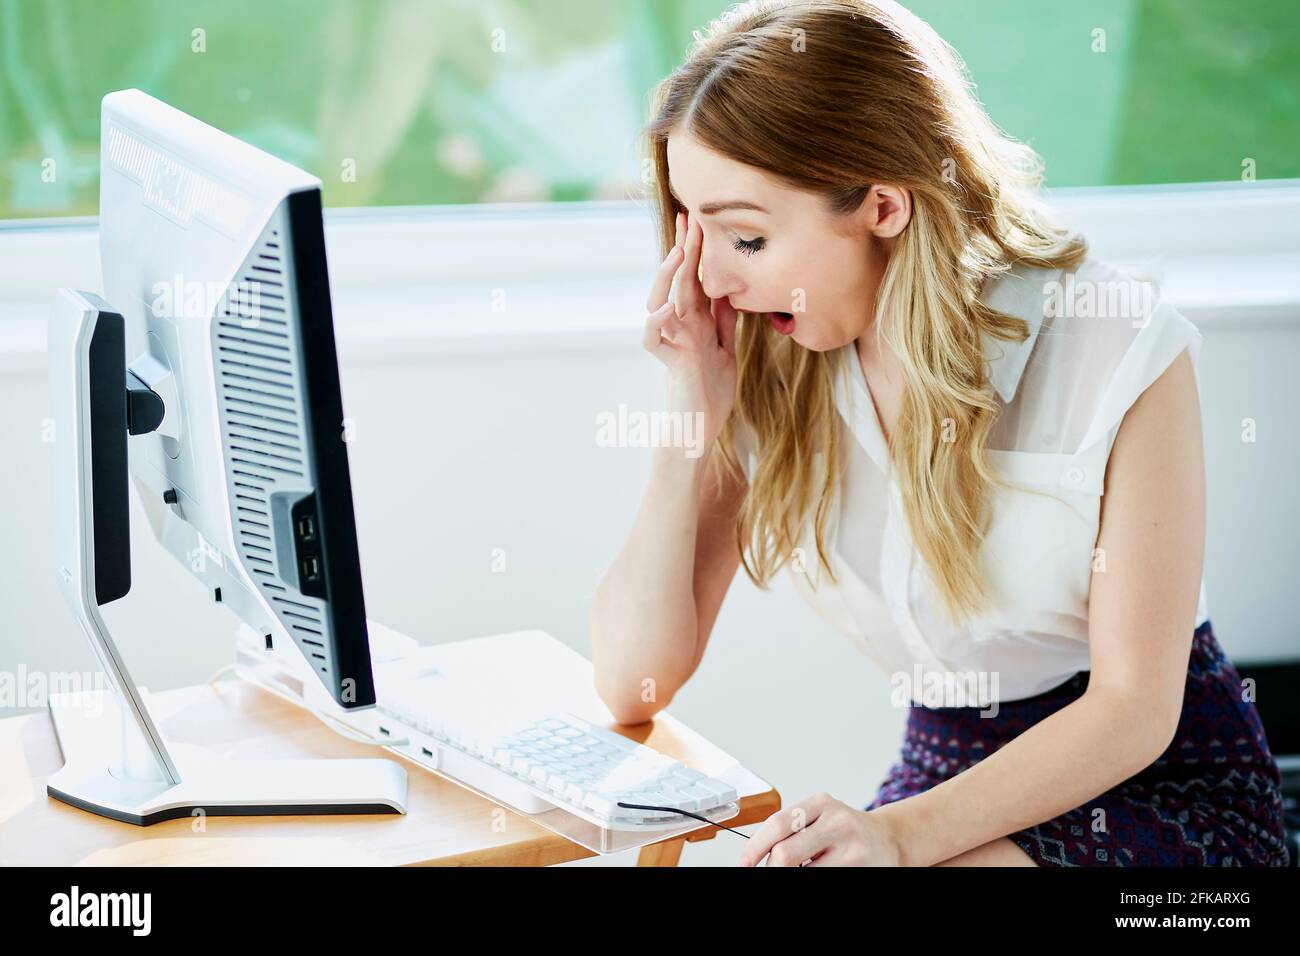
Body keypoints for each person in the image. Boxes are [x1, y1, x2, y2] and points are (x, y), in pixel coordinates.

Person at [588, 0, 1290, 867]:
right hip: (946, 774)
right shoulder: (774, 358)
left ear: (883, 206)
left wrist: (897, 834)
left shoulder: (1114, 345)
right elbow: (632, 679)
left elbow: (1135, 710)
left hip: (1162, 794)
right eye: (694, 230)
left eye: (746, 236)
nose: (710, 278)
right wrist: (691, 407)